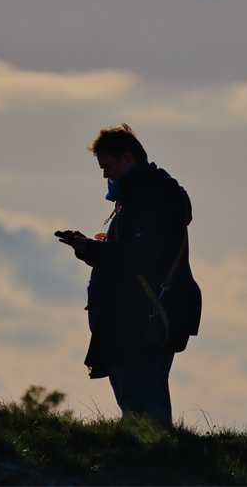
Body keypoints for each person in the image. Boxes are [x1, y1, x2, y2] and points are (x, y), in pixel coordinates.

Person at [58, 124, 201, 425]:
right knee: (140, 409)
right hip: (135, 320)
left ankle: (158, 469)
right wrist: (93, 248)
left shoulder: (152, 198)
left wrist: (92, 251)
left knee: (143, 411)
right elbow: (138, 254)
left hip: (141, 321)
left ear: (127, 158)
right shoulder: (145, 196)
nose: (105, 176)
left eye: (108, 166)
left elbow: (140, 258)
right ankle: (159, 466)